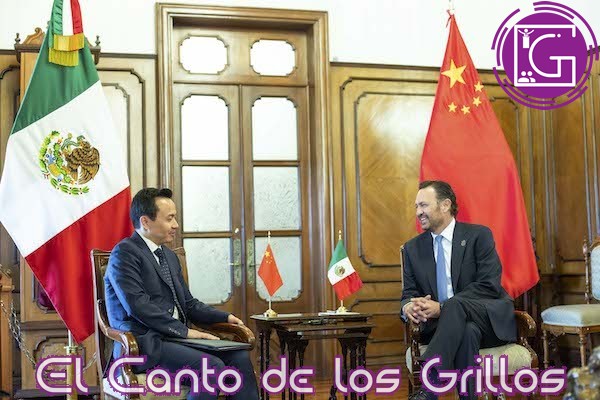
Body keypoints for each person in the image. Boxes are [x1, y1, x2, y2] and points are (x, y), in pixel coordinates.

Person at [105, 188, 259, 400]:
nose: (176, 225)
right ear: (145, 221)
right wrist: (185, 332)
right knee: (211, 367)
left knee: (239, 358)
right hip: (145, 344)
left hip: (175, 340)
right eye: (170, 218)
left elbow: (188, 303)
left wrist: (224, 317)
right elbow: (137, 306)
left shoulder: (168, 256)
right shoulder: (124, 253)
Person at [401, 181, 516, 400]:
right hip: (443, 330)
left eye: (424, 205)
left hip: (487, 320)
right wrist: (408, 307)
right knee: (467, 331)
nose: (418, 212)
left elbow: (489, 285)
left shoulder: (479, 236)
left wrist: (443, 307)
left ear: (445, 205)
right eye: (416, 206)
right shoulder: (413, 249)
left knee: (456, 306)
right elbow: (408, 294)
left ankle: (430, 386)